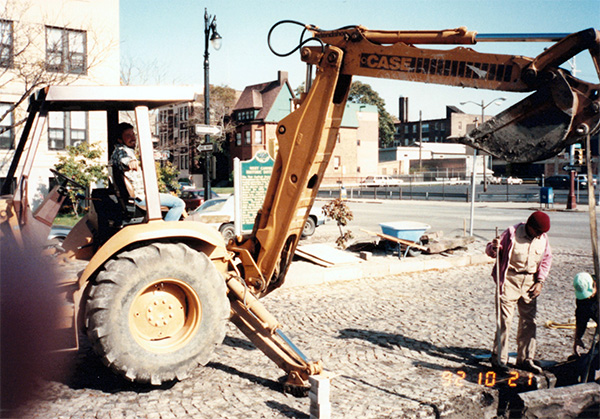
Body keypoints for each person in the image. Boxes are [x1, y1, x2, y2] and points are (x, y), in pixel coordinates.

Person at [485, 211, 552, 373]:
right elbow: (491, 251)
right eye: (538, 231)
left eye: (543, 233)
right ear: (530, 226)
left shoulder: (542, 239)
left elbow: (546, 259)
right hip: (509, 281)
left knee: (529, 322)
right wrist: (494, 248)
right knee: (505, 321)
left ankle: (525, 359)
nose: (540, 235)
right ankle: (499, 359)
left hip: (530, 282)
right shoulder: (512, 233)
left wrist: (540, 282)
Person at [111, 122, 185, 222]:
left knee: (170, 197)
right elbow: (123, 159)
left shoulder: (125, 151)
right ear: (120, 139)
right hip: (140, 198)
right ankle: (166, 231)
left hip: (139, 196)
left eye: (133, 134)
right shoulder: (122, 151)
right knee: (179, 204)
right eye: (128, 136)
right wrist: (130, 162)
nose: (133, 138)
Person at [572, 272, 598, 358]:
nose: (588, 297)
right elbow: (581, 319)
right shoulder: (583, 300)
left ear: (594, 284)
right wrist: (577, 338)